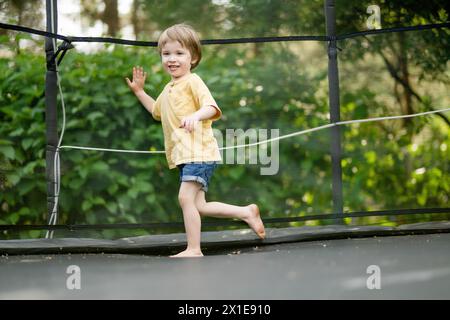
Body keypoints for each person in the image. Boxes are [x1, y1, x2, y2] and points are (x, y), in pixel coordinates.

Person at [126, 24, 265, 258]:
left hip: (199, 153)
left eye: (179, 53)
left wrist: (195, 115)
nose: (172, 59)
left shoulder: (193, 81)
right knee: (199, 205)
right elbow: (156, 111)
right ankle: (246, 212)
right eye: (166, 53)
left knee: (184, 198)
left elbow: (211, 107)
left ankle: (194, 249)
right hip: (185, 156)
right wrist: (140, 92)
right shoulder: (169, 88)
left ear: (193, 57)